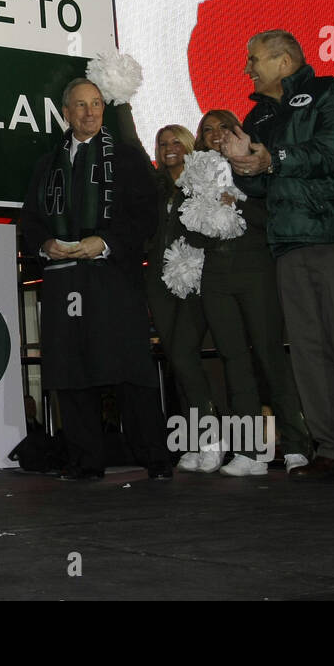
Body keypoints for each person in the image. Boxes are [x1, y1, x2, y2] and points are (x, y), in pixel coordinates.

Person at [222, 29, 334, 483]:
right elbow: (257, 184)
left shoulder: (330, 90)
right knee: (309, 351)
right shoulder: (256, 116)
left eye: (253, 58)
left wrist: (272, 158)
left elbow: (333, 150)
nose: (247, 67)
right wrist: (243, 165)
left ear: (283, 60)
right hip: (289, 244)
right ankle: (330, 448)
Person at [20, 77, 167, 480]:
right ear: (66, 113)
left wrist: (103, 242)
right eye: (81, 105)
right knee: (70, 370)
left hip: (111, 276)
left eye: (97, 104)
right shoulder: (47, 164)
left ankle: (154, 457)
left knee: (129, 369)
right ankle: (85, 460)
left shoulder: (127, 157)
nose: (89, 112)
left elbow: (144, 217)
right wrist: (45, 243)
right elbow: (30, 219)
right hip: (63, 278)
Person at [193, 110, 311, 476]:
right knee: (233, 361)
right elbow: (189, 233)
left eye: (221, 128)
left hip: (256, 269)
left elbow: (272, 216)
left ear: (236, 131)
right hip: (215, 275)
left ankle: (296, 446)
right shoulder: (194, 174)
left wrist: (237, 201)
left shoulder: (254, 165)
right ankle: (248, 451)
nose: (214, 135)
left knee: (269, 355)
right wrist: (203, 210)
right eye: (207, 129)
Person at [143, 124, 217, 473]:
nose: (169, 148)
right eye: (162, 143)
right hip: (158, 280)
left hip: (194, 277)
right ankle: (194, 440)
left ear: (190, 147)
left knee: (186, 355)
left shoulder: (204, 182)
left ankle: (213, 438)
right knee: (176, 359)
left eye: (176, 142)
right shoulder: (155, 187)